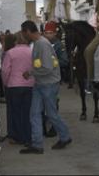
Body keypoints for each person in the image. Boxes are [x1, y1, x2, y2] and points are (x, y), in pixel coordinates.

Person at [19, 20, 72, 154]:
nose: (23, 36)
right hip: (40, 83)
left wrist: (30, 73)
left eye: (23, 33)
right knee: (34, 113)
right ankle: (37, 145)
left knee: (51, 114)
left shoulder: (42, 44)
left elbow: (47, 68)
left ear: (28, 32)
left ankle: (65, 137)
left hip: (48, 84)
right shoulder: (38, 43)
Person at [1, 31, 34, 146]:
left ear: (16, 40)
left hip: (13, 85)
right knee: (26, 112)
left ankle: (16, 136)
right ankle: (27, 136)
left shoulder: (10, 53)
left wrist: (5, 83)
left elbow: (5, 70)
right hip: (29, 85)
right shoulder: (32, 52)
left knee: (14, 112)